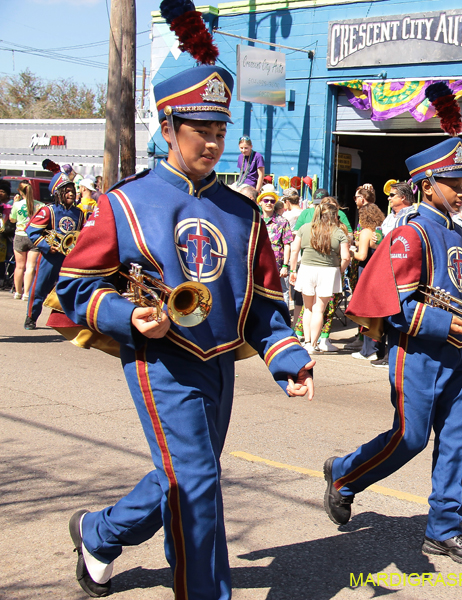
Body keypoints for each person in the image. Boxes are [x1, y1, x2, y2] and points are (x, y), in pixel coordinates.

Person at [52, 65, 314, 599]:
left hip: (218, 361)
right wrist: (129, 317)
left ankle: (99, 534)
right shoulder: (125, 202)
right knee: (196, 485)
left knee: (184, 474)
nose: (214, 143)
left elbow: (262, 306)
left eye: (220, 131)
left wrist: (289, 358)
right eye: (202, 130)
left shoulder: (244, 213)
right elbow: (76, 288)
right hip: (160, 360)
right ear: (169, 128)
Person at [326, 137, 462, 566]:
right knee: (410, 437)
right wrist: (441, 323)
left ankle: (444, 530)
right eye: (452, 181)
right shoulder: (409, 233)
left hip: (455, 356)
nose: (460, 189)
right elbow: (394, 304)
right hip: (417, 353)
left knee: (457, 443)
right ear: (428, 183)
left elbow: (457, 293)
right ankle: (345, 474)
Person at [289, 195, 351, 351]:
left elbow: (295, 250)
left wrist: (292, 269)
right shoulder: (338, 232)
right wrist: (339, 271)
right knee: (319, 310)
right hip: (329, 272)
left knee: (307, 308)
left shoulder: (305, 228)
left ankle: (307, 342)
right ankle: (314, 344)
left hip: (307, 269)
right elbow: (346, 257)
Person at [24, 173, 85, 330]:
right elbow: (31, 230)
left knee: (71, 290)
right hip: (50, 257)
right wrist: (46, 246)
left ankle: (68, 322)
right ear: (58, 193)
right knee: (39, 289)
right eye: (67, 190)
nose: (72, 193)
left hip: (70, 258)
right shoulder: (48, 210)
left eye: (73, 190)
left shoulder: (79, 213)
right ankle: (31, 317)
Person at [349, 202, 385, 360]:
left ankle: (368, 350)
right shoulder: (380, 232)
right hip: (377, 272)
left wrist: (351, 252)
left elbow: (362, 256)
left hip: (365, 272)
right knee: (376, 312)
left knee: (366, 311)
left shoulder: (365, 232)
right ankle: (376, 348)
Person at [9, 181, 45, 300]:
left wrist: (15, 203)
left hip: (20, 235)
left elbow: (12, 219)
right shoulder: (40, 205)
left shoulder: (17, 205)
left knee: (19, 266)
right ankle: (27, 293)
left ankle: (18, 292)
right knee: (30, 266)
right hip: (34, 236)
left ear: (20, 192)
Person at [258, 186, 294, 305]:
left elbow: (287, 244)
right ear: (260, 202)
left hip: (277, 263)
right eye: (266, 201)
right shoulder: (256, 220)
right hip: (260, 263)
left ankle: (284, 319)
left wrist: (285, 265)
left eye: (272, 201)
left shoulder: (282, 222)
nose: (269, 203)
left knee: (282, 291)